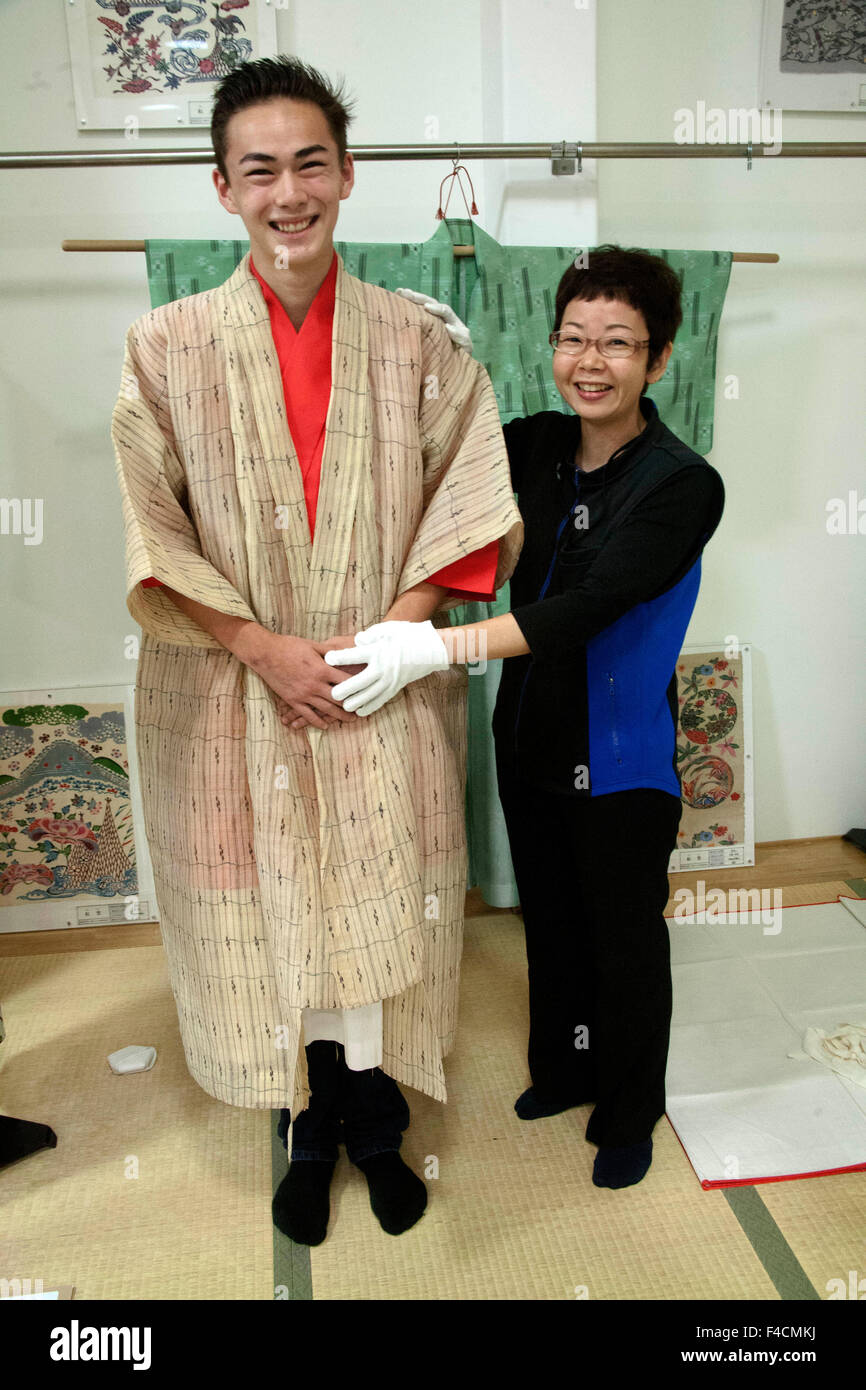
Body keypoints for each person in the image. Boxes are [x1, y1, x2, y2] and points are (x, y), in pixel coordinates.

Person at [111, 54, 522, 1245]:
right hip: (229, 684)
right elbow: (156, 526)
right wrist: (267, 651)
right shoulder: (165, 345)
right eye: (259, 170)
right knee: (255, 904)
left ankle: (375, 1117)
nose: (288, 192)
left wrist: (395, 630)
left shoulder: (417, 339)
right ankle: (300, 1123)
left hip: (381, 675)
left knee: (378, 896)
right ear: (223, 188)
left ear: (344, 174)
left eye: (309, 164)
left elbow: (470, 488)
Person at [309, 246, 725, 1189]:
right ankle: (566, 1067)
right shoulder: (535, 444)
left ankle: (630, 1109)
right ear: (552, 345)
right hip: (527, 740)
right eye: (574, 337)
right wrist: (435, 354)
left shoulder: (681, 483)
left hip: (619, 759)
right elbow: (435, 449)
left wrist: (431, 648)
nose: (592, 360)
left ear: (658, 360)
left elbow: (585, 608)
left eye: (617, 343)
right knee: (551, 920)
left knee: (623, 940)